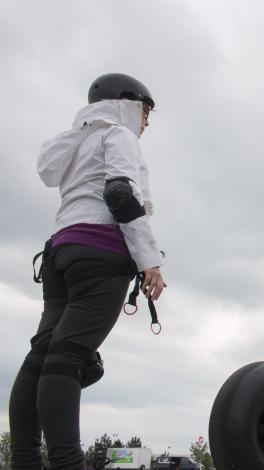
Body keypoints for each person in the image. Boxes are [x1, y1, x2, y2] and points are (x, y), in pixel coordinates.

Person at [9, 73, 166, 470]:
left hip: (60, 253)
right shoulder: (119, 136)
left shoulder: (76, 142)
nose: (145, 124)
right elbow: (120, 194)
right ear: (128, 103)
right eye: (145, 114)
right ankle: (68, 463)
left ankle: (25, 461)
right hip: (101, 253)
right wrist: (150, 260)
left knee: (42, 356)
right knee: (67, 358)